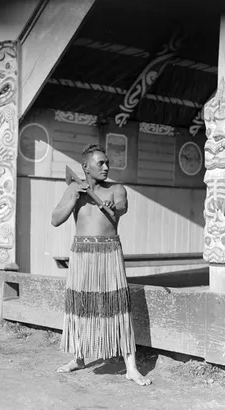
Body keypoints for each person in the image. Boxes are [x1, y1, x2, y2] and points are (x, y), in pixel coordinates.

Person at [51, 143, 151, 386]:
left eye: (107, 162)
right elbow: (55, 219)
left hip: (109, 252)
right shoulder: (75, 188)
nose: (106, 167)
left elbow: (122, 207)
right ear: (86, 167)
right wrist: (75, 195)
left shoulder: (116, 188)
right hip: (82, 253)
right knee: (80, 305)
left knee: (118, 306)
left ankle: (131, 367)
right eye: (101, 163)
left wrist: (112, 207)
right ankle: (79, 358)